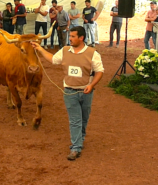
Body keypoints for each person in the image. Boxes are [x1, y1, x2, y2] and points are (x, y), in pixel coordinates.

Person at [31, 26, 104, 161]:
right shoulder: (64, 51)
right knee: (75, 120)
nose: (69, 39)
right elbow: (53, 59)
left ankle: (79, 140)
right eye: (69, 36)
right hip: (69, 92)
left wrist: (92, 85)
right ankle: (76, 147)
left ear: (81, 38)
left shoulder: (93, 53)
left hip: (87, 91)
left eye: (72, 37)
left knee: (84, 118)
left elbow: (99, 71)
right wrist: (40, 49)